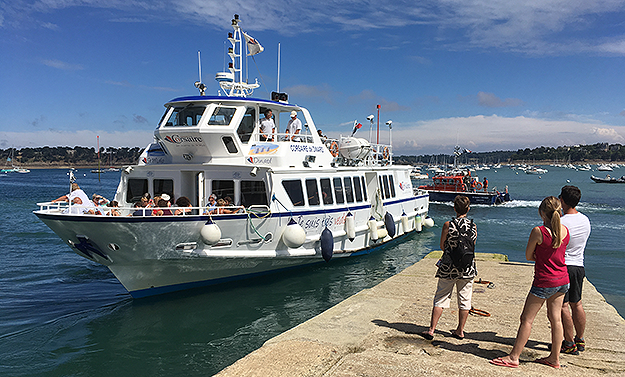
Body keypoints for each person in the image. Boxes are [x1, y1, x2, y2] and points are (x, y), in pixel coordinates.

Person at [490, 196, 569, 369]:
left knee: (527, 319)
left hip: (544, 281)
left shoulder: (538, 231)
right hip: (563, 279)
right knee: (556, 319)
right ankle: (554, 359)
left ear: (542, 213)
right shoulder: (565, 231)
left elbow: (528, 256)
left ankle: (514, 357)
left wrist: (540, 257)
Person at [421, 195, 477, 341]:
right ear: (468, 209)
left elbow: (442, 246)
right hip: (467, 268)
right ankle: (460, 331)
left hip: (448, 267)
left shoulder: (448, 224)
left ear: (454, 208)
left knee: (441, 297)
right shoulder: (473, 225)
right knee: (465, 300)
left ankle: (432, 329)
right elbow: (472, 245)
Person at [559, 185, 591, 355]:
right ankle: (580, 339)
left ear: (562, 200)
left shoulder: (561, 222)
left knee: (563, 306)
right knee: (577, 303)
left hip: (564, 266)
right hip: (579, 265)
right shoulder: (585, 220)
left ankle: (568, 342)